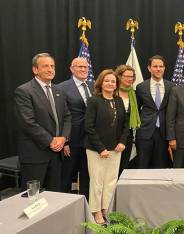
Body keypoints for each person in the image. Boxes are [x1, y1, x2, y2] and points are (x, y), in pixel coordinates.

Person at [14, 53, 71, 192]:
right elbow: (28, 123)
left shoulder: (59, 90)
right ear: (35, 69)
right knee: (31, 198)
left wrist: (63, 138)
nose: (51, 69)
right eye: (46, 66)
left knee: (55, 195)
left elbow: (67, 117)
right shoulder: (24, 91)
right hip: (35, 154)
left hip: (57, 155)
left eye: (52, 66)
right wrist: (51, 141)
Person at [85, 69, 129, 224]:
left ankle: (106, 210)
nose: (110, 84)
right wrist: (101, 148)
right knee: (97, 182)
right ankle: (96, 211)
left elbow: (126, 124)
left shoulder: (118, 101)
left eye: (113, 81)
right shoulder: (93, 101)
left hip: (116, 149)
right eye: (107, 81)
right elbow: (88, 127)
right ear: (100, 83)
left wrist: (123, 142)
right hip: (96, 150)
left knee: (111, 181)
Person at [58, 57, 92, 196]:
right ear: (72, 69)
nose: (83, 69)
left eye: (85, 67)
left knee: (87, 175)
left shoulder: (93, 85)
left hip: (90, 140)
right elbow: (60, 117)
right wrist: (64, 141)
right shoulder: (61, 87)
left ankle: (85, 205)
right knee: (66, 175)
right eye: (79, 67)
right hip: (71, 140)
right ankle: (62, 204)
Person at [135, 55, 174, 169]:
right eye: (155, 66)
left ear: (164, 68)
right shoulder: (141, 87)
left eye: (161, 66)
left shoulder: (171, 87)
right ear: (149, 68)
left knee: (160, 166)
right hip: (144, 132)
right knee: (142, 164)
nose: (158, 69)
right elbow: (136, 110)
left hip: (163, 133)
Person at [115, 65, 140, 176]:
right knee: (113, 169)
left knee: (124, 168)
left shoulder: (134, 94)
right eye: (127, 76)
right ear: (119, 77)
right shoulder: (112, 92)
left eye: (132, 77)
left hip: (128, 135)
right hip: (112, 135)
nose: (130, 79)